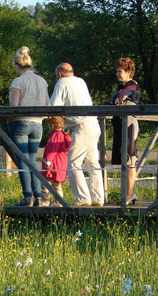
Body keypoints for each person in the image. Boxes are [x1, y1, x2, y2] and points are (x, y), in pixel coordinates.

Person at [50, 63, 105, 206]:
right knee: (92, 164)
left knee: (73, 163)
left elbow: (54, 106)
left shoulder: (62, 82)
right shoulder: (81, 81)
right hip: (94, 123)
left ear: (60, 74)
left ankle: (82, 199)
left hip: (81, 127)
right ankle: (98, 199)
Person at [8, 46, 50, 207]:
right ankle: (38, 196)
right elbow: (48, 105)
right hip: (38, 124)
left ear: (17, 66)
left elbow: (14, 107)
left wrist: (9, 120)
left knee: (22, 161)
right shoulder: (42, 81)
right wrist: (41, 118)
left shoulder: (18, 81)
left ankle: (27, 197)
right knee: (32, 160)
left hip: (21, 122)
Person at [110, 57, 141, 205]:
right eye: (116, 71)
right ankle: (128, 194)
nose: (117, 73)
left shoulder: (132, 85)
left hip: (129, 125)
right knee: (125, 161)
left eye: (120, 71)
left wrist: (119, 98)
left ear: (129, 72)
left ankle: (129, 195)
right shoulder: (121, 87)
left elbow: (120, 97)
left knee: (130, 161)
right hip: (122, 124)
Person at [41, 116, 72, 206]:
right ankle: (58, 202)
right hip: (60, 164)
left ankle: (45, 201)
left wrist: (48, 161)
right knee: (57, 185)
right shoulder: (63, 135)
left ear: (52, 125)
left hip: (53, 164)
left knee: (45, 184)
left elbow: (52, 149)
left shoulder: (56, 135)